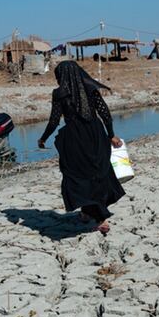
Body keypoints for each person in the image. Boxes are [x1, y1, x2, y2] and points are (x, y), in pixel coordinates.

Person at [38, 61, 125, 234]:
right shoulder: (90, 87)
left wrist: (43, 138)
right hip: (96, 134)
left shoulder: (59, 93)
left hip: (75, 138)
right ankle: (87, 211)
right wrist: (111, 135)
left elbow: (54, 120)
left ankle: (100, 219)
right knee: (98, 172)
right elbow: (104, 113)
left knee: (77, 175)